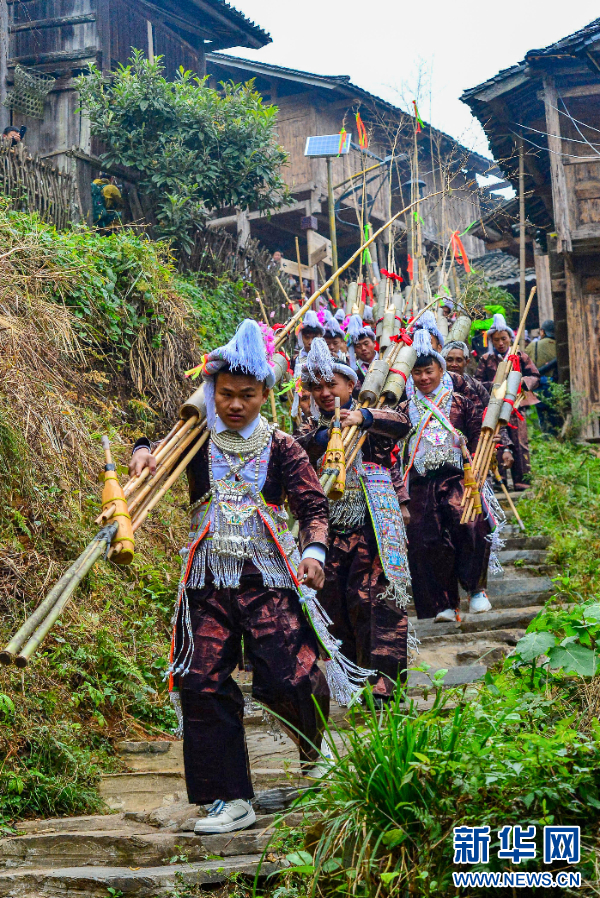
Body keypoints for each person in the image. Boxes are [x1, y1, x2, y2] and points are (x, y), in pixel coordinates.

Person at [128, 320, 340, 835]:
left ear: (266, 393)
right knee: (200, 680)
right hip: (206, 579)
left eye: (248, 395)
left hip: (266, 574)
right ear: (212, 391)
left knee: (288, 672)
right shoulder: (193, 440)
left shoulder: (284, 446)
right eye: (226, 394)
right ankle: (229, 798)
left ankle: (316, 749)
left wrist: (312, 550)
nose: (236, 405)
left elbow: (313, 506)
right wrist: (140, 450)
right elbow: (151, 447)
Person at [296, 338, 412, 703]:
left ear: (351, 385)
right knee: (334, 603)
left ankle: (385, 685)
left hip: (373, 522)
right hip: (328, 528)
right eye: (318, 387)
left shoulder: (371, 413)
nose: (326, 393)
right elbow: (297, 451)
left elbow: (402, 423)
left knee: (378, 600)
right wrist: (320, 437)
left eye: (333, 385)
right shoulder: (308, 427)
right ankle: (351, 680)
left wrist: (364, 418)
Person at [397, 328, 492, 621]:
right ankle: (443, 604)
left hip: (458, 478)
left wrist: (478, 469)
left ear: (441, 370)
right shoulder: (403, 409)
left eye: (429, 371)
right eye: (417, 373)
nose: (424, 378)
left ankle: (476, 590)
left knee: (471, 526)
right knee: (427, 541)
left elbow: (478, 436)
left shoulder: (462, 402)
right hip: (421, 482)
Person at [475, 313, 540, 491]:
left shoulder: (519, 356)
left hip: (517, 405)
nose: (500, 343)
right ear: (492, 341)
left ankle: (523, 480)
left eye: (503, 339)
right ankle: (499, 480)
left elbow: (535, 376)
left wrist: (521, 383)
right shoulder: (486, 359)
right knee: (496, 441)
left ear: (510, 338)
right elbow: (478, 383)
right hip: (495, 405)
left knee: (520, 442)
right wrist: (496, 385)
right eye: (496, 340)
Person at [529, 320, 559, 433]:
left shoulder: (534, 345)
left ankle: (544, 435)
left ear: (542, 332)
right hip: (553, 383)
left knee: (540, 413)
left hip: (537, 383)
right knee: (553, 412)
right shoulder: (559, 346)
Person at [346, 313, 378, 380]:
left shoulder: (384, 359)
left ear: (374, 343)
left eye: (366, 344)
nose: (363, 348)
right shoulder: (353, 368)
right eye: (358, 346)